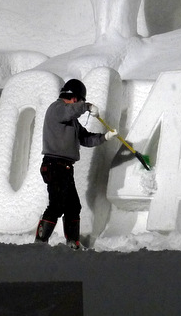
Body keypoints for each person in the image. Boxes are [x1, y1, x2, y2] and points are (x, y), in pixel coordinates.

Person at [35, 78, 118, 250]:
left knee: (73, 206)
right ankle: (40, 243)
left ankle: (73, 244)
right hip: (54, 164)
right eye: (80, 100)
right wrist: (86, 107)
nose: (79, 104)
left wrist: (104, 137)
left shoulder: (72, 121)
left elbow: (85, 138)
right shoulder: (56, 109)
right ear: (74, 98)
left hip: (65, 167)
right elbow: (70, 111)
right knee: (56, 204)